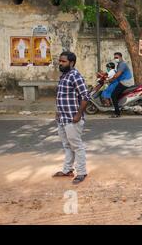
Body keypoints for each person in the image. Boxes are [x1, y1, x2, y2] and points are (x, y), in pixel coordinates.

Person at [52, 51, 90, 184]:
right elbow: (63, 96)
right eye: (60, 61)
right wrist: (58, 111)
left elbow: (86, 96)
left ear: (71, 63)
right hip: (62, 117)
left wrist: (79, 114)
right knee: (67, 146)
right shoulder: (64, 76)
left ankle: (81, 172)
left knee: (76, 146)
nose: (60, 63)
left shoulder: (75, 76)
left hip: (72, 118)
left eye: (63, 61)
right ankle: (67, 170)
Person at [107, 52, 134, 118]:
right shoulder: (119, 64)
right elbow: (115, 73)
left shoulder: (122, 64)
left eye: (117, 57)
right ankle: (119, 106)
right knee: (116, 94)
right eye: (115, 57)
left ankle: (117, 113)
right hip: (123, 81)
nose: (115, 59)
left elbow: (117, 75)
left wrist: (111, 80)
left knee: (113, 95)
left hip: (125, 82)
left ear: (120, 57)